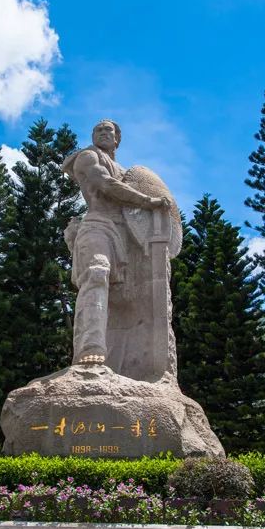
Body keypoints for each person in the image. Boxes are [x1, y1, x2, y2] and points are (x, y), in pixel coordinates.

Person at [62, 119, 170, 366]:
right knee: (96, 273)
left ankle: (141, 365)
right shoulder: (87, 157)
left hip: (127, 235)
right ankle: (91, 346)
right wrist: (147, 201)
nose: (103, 133)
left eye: (108, 130)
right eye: (98, 130)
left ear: (117, 138)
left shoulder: (125, 171)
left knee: (131, 298)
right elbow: (105, 184)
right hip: (97, 225)